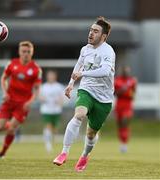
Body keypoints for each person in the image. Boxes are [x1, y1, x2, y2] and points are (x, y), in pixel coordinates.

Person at [53, 16, 116, 172]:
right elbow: (78, 65)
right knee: (79, 114)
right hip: (86, 89)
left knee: (91, 133)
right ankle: (63, 153)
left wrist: (82, 74)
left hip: (104, 98)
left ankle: (84, 156)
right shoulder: (85, 49)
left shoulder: (108, 51)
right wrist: (70, 84)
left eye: (95, 31)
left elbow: (105, 71)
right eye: (90, 30)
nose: (91, 33)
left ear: (103, 36)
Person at [0, 41, 42, 158]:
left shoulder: (36, 70)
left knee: (11, 128)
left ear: (32, 53)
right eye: (23, 51)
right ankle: (12, 126)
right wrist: (5, 92)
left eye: (28, 52)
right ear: (19, 52)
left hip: (22, 104)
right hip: (9, 100)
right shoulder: (12, 64)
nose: (26, 54)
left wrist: (30, 102)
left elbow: (36, 89)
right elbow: (3, 78)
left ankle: (3, 152)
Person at [39, 70, 64, 152]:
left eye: (52, 75)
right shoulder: (44, 87)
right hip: (46, 110)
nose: (51, 77)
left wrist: (60, 102)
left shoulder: (59, 86)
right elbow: (40, 97)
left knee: (54, 129)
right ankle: (48, 144)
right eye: (49, 75)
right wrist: (42, 99)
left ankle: (50, 141)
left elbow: (62, 97)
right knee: (48, 126)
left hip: (56, 110)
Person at [114, 66, 137, 153]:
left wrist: (130, 94)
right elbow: (115, 93)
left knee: (125, 122)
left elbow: (134, 93)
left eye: (128, 71)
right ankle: (122, 143)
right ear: (122, 71)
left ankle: (125, 143)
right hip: (119, 105)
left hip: (128, 105)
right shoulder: (117, 80)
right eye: (125, 71)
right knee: (120, 125)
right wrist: (122, 91)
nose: (127, 72)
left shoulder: (132, 81)